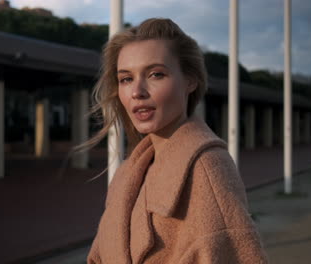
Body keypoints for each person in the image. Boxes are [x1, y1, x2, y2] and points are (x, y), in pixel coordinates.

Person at [85, 18, 268, 263]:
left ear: (190, 81)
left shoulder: (208, 168)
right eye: (126, 79)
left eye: (155, 74)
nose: (137, 91)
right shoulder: (130, 172)